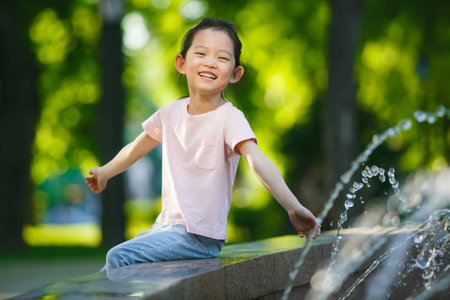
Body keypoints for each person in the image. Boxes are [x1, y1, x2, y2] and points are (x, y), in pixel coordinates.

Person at [86, 17, 321, 272]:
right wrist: (105, 172)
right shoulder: (169, 114)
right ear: (182, 63)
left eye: (222, 58)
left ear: (235, 74)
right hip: (165, 228)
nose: (210, 62)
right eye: (201, 53)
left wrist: (293, 207)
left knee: (117, 257)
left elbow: (257, 161)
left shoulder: (229, 118)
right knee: (108, 270)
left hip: (199, 237)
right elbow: (135, 148)